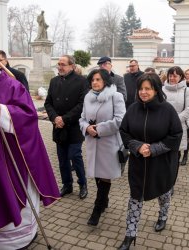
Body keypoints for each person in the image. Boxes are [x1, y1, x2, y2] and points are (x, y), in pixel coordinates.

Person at [0, 31, 60, 249]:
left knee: (5, 199)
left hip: (7, 163)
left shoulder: (12, 87)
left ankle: (15, 240)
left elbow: (29, 117)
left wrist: (5, 112)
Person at [118, 73, 182, 250]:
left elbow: (176, 135)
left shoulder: (167, 110)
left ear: (155, 90)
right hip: (138, 163)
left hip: (161, 164)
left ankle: (163, 215)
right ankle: (130, 235)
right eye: (141, 89)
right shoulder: (132, 109)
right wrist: (137, 146)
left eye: (148, 89)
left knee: (163, 193)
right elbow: (124, 131)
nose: (143, 92)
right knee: (135, 198)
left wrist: (153, 149)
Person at [79, 68, 126, 226]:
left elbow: (120, 120)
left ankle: (97, 210)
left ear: (105, 81)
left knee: (105, 176)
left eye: (98, 79)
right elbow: (82, 118)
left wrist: (98, 129)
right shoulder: (88, 97)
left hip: (109, 144)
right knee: (97, 175)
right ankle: (104, 200)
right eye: (92, 80)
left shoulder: (115, 96)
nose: (94, 82)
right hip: (92, 143)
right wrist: (86, 128)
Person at [44, 55, 88, 199]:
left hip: (74, 127)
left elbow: (82, 105)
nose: (60, 67)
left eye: (63, 64)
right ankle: (67, 185)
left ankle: (83, 184)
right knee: (62, 159)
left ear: (72, 66)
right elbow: (48, 103)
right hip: (58, 127)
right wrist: (55, 118)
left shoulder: (82, 81)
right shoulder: (54, 81)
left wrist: (65, 118)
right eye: (58, 64)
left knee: (75, 156)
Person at [162, 66, 189, 166]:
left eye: (175, 76)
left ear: (180, 77)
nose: (172, 78)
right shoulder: (162, 89)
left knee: (176, 152)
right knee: (162, 150)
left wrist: (175, 120)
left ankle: (172, 175)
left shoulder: (186, 90)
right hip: (163, 125)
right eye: (170, 75)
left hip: (179, 125)